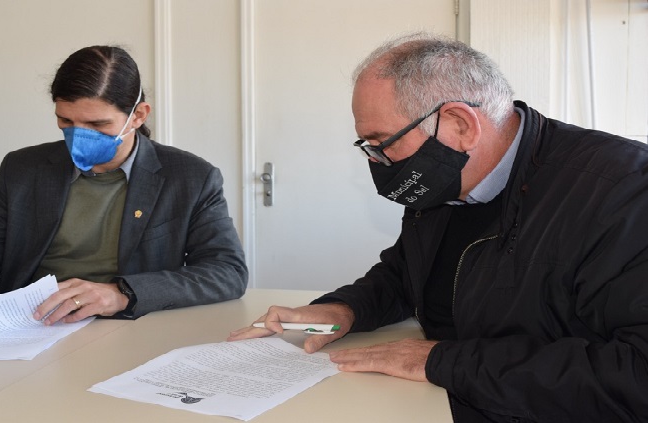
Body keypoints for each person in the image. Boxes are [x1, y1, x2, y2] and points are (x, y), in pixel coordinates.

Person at [228, 32, 648, 422]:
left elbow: (635, 375)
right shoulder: (447, 178)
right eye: (368, 147)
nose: (378, 162)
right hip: (441, 399)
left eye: (384, 142)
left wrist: (440, 361)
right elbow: (406, 273)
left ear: (460, 125)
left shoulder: (622, 194)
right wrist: (344, 310)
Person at [0, 45, 248, 324]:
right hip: (30, 325)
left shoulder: (191, 177)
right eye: (66, 122)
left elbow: (226, 273)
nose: (78, 135)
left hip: (129, 328)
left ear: (138, 115)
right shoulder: (22, 169)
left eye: (98, 125)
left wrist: (121, 293)